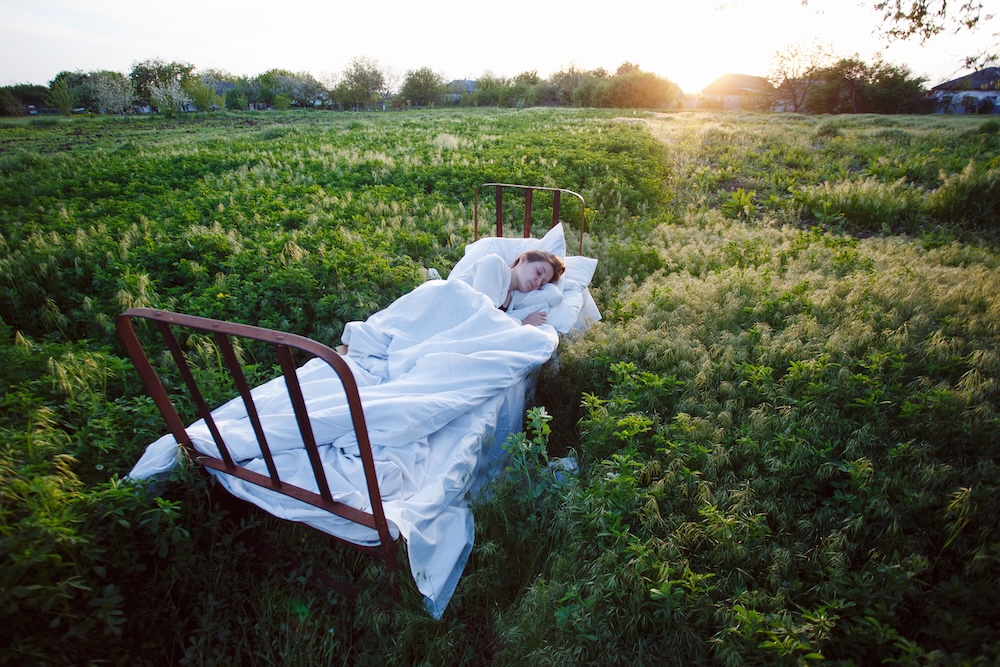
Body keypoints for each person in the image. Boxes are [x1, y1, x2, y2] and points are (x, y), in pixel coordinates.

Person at [449, 249, 566, 326]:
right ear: (523, 260)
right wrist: (522, 322)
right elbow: (482, 316)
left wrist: (548, 283)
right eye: (539, 272)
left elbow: (555, 297)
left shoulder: (511, 298)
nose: (538, 282)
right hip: (445, 308)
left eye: (542, 284)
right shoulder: (495, 263)